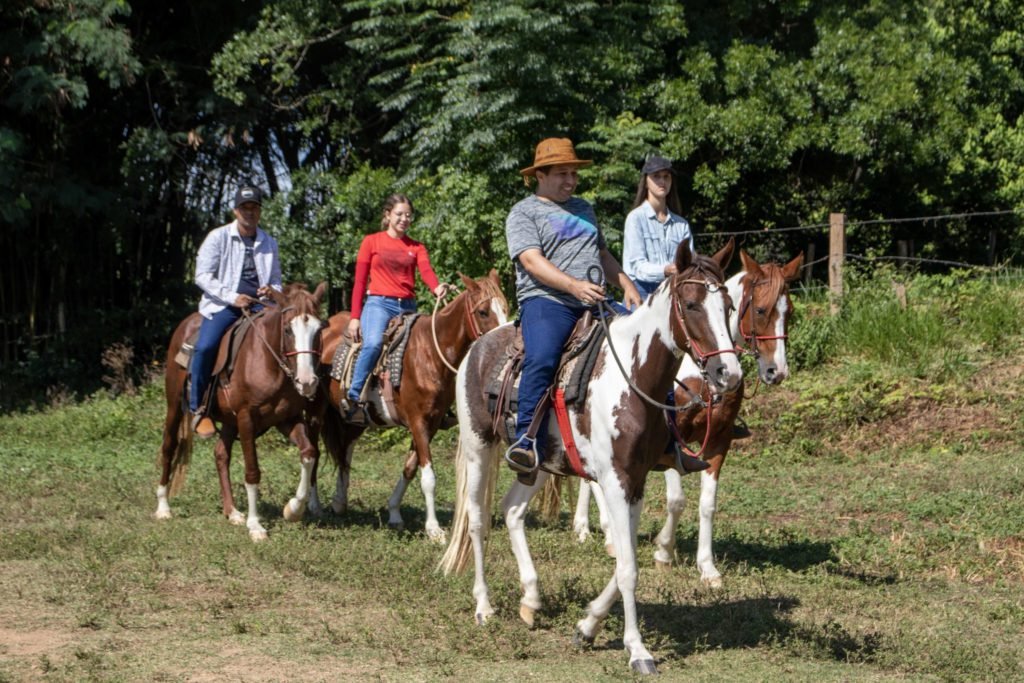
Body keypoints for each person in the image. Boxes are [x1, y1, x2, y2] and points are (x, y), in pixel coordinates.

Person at [504, 137, 643, 480]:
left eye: (574, 174)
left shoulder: (584, 208)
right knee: (543, 358)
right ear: (540, 175)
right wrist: (573, 286)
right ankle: (526, 440)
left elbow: (602, 255)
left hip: (594, 300)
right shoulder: (524, 212)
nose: (571, 180)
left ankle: (670, 433)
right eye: (562, 174)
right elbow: (531, 261)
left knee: (645, 345)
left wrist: (625, 283)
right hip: (547, 301)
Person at [190, 182, 282, 438]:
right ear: (235, 211)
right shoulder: (218, 237)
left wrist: (271, 291)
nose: (249, 213)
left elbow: (276, 279)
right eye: (244, 208)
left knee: (290, 338)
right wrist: (233, 297)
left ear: (260, 211)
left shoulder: (269, 242)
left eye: (254, 208)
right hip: (225, 305)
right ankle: (198, 408)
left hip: (261, 306)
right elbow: (202, 276)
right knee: (206, 346)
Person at [344, 194, 446, 424]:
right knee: (373, 344)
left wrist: (437, 287)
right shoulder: (371, 242)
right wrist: (354, 317)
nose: (404, 219)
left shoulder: (416, 247)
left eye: (408, 215)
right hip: (379, 303)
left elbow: (426, 271)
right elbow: (360, 282)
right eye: (399, 214)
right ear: (388, 215)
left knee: (427, 348)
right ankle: (354, 395)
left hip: (408, 306)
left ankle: (436, 400)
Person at [621, 155, 695, 306]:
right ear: (646, 181)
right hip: (640, 293)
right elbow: (637, 267)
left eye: (666, 177)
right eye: (656, 176)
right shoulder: (635, 218)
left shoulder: (682, 225)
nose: (662, 181)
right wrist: (665, 270)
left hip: (674, 293)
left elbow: (691, 261)